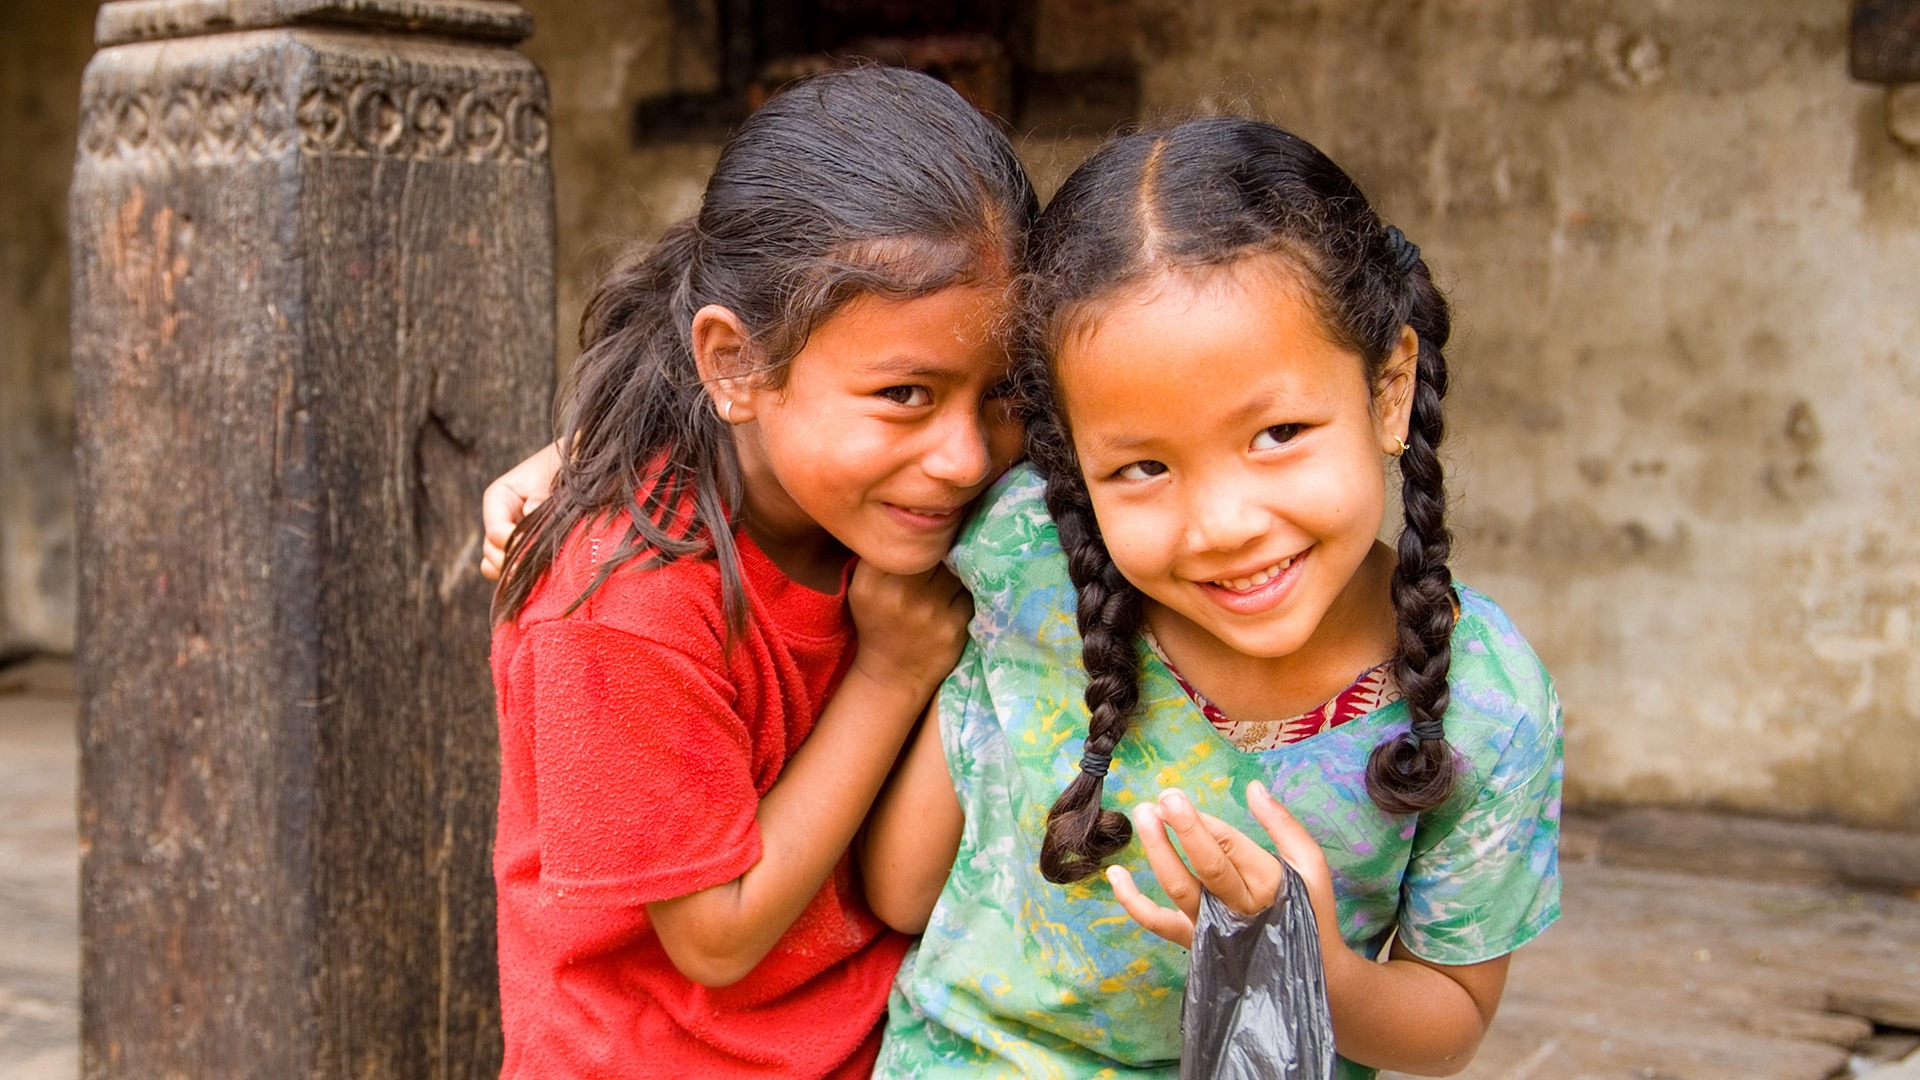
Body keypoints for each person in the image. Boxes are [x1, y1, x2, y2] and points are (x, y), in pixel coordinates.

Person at [860, 117, 1563, 1078]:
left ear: (1389, 389)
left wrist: (1304, 965)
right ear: (1072, 465)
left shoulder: (1486, 703)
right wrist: (595, 467)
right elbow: (901, 891)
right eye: (1143, 465)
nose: (1223, 523)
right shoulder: (1025, 556)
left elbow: (1449, 1026)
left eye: (1277, 433)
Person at [484, 65, 1036, 1079]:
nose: (965, 454)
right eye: (907, 393)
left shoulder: (917, 505)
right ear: (735, 364)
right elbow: (719, 936)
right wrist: (891, 672)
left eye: (1001, 394)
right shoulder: (624, 595)